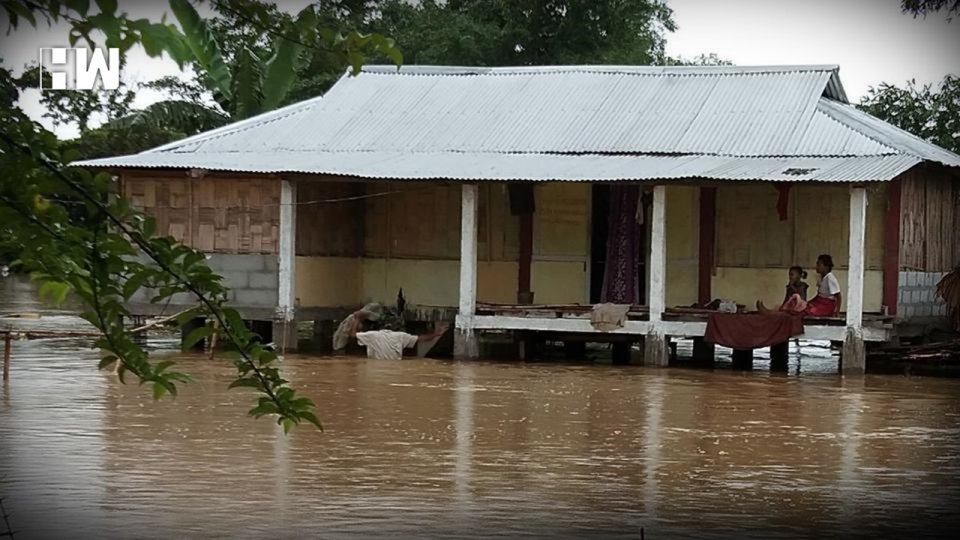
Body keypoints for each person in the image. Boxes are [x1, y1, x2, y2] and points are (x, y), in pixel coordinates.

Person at [758, 256, 840, 317]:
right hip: (819, 302)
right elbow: (819, 296)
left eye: (819, 264)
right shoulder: (821, 278)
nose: (816, 266)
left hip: (825, 306)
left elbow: (838, 296)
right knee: (791, 309)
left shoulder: (830, 278)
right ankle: (771, 312)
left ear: (826, 266)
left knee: (800, 310)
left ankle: (771, 313)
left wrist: (837, 312)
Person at [352, 322, 450, 361]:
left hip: (376, 367)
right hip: (395, 367)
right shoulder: (401, 336)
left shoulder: (373, 335)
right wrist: (436, 334)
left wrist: (355, 320)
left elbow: (353, 335)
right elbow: (421, 339)